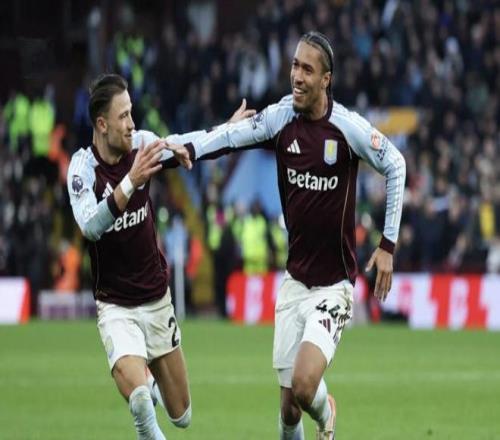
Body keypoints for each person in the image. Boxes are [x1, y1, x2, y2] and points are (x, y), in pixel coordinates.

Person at [168, 31, 406, 439]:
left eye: (307, 70)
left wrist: (387, 245)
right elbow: (228, 137)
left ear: (326, 79)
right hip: (294, 282)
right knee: (288, 410)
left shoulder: (346, 128)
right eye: (295, 65)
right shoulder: (280, 119)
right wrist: (184, 149)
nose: (297, 76)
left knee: (305, 386)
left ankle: (327, 415)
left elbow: (396, 164)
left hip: (333, 286)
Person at [66, 73, 254, 439]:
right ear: (102, 125)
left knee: (181, 415)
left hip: (155, 299)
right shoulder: (82, 168)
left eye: (131, 113)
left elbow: (190, 143)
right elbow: (90, 225)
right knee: (140, 402)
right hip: (116, 306)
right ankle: (143, 391)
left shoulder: (143, 146)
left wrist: (227, 129)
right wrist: (131, 181)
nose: (131, 123)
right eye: (123, 116)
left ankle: (150, 379)